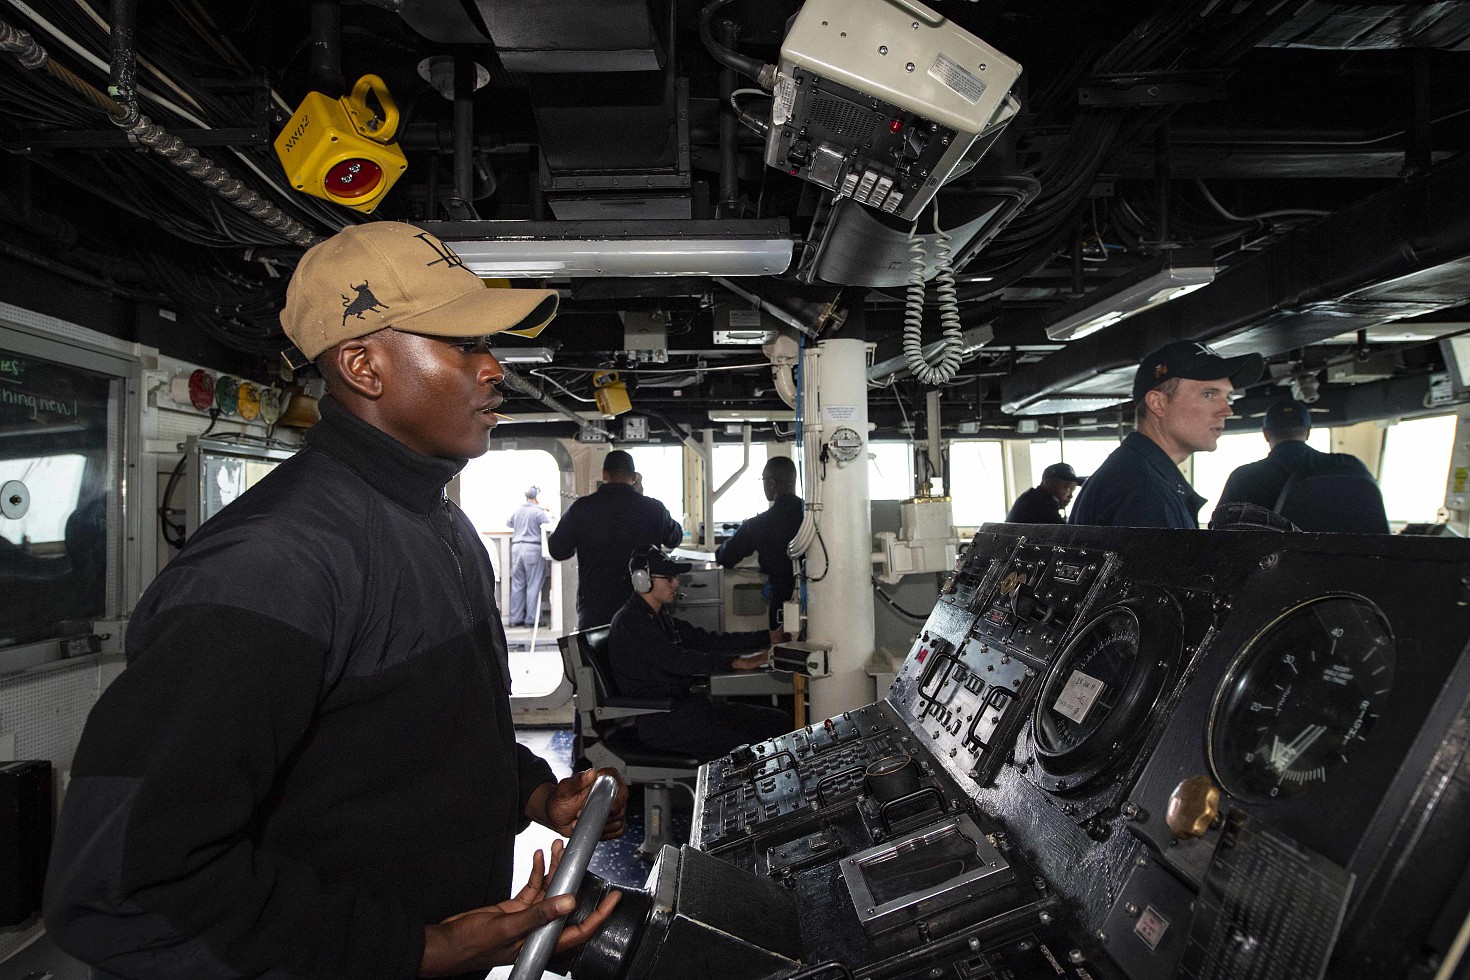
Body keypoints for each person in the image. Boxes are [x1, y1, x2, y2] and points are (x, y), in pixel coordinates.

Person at [43, 221, 628, 980]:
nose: (495, 371)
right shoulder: (269, 566)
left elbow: (407, 743)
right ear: (363, 365)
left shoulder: (442, 527)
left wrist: (536, 794)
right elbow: (123, 890)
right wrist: (421, 950)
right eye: (462, 344)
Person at [609, 545, 792, 762]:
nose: (676, 583)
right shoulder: (633, 623)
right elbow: (679, 661)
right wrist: (737, 663)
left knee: (778, 721)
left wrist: (767, 638)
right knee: (749, 750)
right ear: (642, 580)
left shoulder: (659, 617)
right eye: (668, 578)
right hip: (660, 720)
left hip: (687, 708)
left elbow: (708, 640)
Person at [1070, 340, 1263, 529]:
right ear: (1158, 403)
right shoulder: (1145, 492)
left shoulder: (1139, 475)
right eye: (1209, 394)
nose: (1227, 411)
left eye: (1228, 397)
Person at [548, 449, 683, 629]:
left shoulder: (582, 508)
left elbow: (557, 550)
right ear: (634, 477)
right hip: (642, 606)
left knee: (597, 655)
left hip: (595, 609)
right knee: (643, 654)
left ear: (605, 474)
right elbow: (674, 539)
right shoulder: (654, 508)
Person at [1215, 400, 1389, 532]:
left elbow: (1220, 536)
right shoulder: (1349, 466)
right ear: (1308, 431)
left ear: (1266, 434)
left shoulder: (1244, 478)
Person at [715, 456, 804, 640]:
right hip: (818, 602)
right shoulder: (814, 518)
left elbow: (725, 556)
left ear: (771, 483)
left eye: (763, 481)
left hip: (782, 604)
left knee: (785, 653)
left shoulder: (760, 524)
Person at [507, 485, 552, 627]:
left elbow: (509, 523)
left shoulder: (518, 510)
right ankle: (531, 620)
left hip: (516, 548)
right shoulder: (538, 512)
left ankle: (515, 619)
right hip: (533, 548)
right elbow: (549, 526)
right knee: (533, 584)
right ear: (536, 497)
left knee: (517, 585)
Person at [1005, 462, 1083, 524]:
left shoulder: (1031, 497)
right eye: (1067, 488)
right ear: (1049, 483)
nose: (1071, 496)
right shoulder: (1037, 505)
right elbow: (1065, 533)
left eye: (1073, 490)